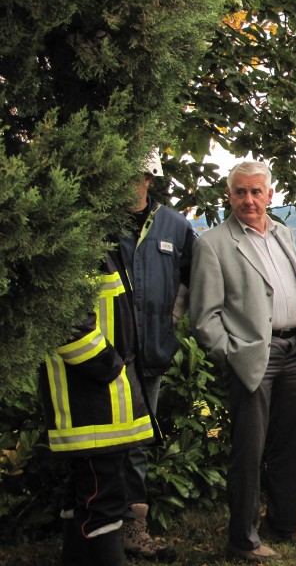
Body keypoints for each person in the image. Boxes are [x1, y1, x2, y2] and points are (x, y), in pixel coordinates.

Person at [190, 161, 296, 561]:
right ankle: (243, 539)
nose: (249, 200)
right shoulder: (213, 244)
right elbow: (204, 317)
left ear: (270, 195)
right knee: (249, 451)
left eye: (256, 192)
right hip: (254, 357)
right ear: (230, 196)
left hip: (295, 352)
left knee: (290, 445)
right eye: (241, 192)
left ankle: (284, 524)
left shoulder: (283, 233)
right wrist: (232, 354)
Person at [39, 245, 156, 566]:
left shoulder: (98, 243)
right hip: (92, 407)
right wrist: (112, 368)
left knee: (84, 499)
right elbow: (69, 322)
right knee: (103, 503)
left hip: (97, 408)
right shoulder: (80, 246)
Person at [119, 149, 195, 561]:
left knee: (137, 442)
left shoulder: (176, 225)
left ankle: (134, 529)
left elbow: (193, 278)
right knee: (104, 444)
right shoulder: (102, 223)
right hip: (107, 358)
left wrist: (173, 319)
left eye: (138, 175)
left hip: (152, 354)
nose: (132, 182)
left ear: (150, 178)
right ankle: (101, 525)